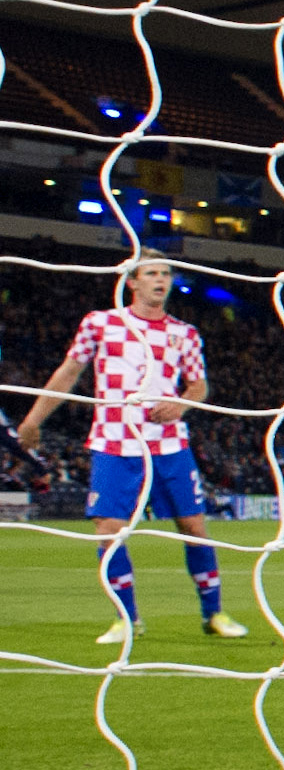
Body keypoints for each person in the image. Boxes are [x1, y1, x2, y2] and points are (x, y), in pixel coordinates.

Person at [18, 253, 249, 643]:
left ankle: (214, 614)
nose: (160, 280)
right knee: (108, 530)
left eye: (165, 274)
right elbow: (69, 372)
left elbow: (199, 386)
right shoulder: (101, 323)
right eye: (151, 274)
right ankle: (127, 619)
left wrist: (180, 404)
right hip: (114, 442)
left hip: (169, 445)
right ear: (132, 282)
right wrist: (33, 419)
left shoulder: (185, 333)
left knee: (193, 527)